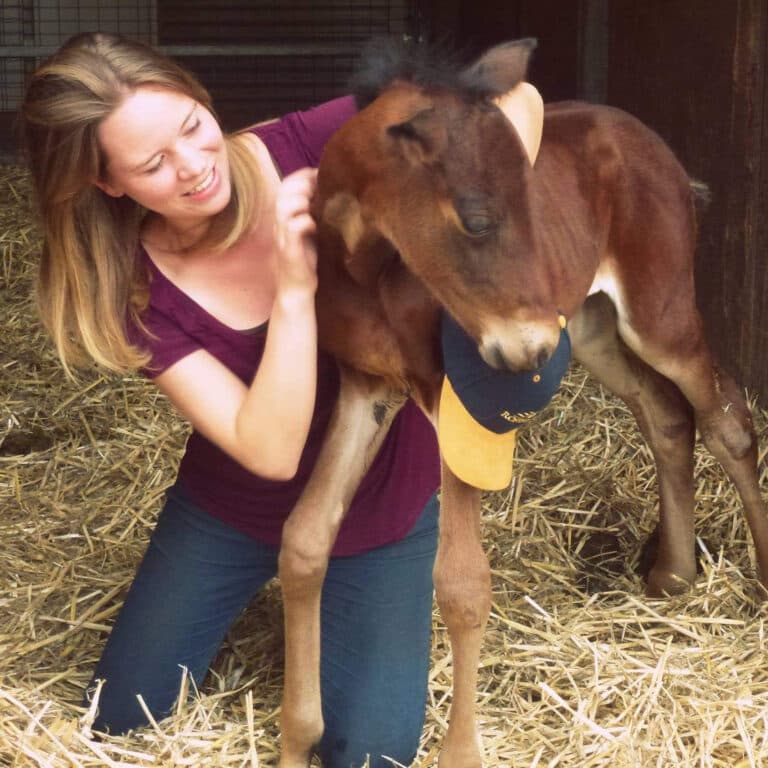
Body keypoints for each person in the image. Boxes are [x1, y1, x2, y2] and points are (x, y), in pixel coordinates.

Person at [20, 32, 543, 767]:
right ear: (107, 184)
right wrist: (295, 291)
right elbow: (271, 450)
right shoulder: (131, 286)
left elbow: (518, 100)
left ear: (204, 101)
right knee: (121, 717)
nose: (194, 166)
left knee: (372, 755)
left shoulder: (315, 144)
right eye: (153, 165)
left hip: (379, 506)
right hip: (230, 511)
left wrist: (461, 227)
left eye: (193, 126)